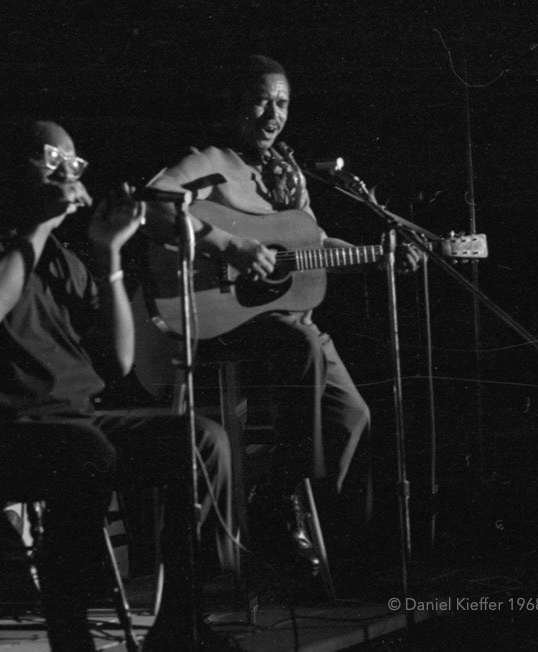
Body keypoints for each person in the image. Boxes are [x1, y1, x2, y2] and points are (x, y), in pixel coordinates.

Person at [0, 119, 240, 651]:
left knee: (199, 440)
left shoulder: (66, 261)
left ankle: (180, 622)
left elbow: (118, 363)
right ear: (12, 169)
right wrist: (35, 229)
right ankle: (70, 635)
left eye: (74, 163)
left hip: (74, 427)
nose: (67, 172)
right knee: (84, 451)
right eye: (52, 159)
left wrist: (109, 257)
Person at [141, 55, 421, 592]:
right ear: (235, 104)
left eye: (284, 103)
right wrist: (231, 245)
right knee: (302, 348)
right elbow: (155, 203)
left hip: (286, 320)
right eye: (263, 100)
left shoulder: (287, 174)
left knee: (353, 418)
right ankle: (277, 508)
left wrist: (376, 254)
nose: (274, 114)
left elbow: (309, 247)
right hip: (225, 321)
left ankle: (267, 495)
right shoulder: (212, 159)